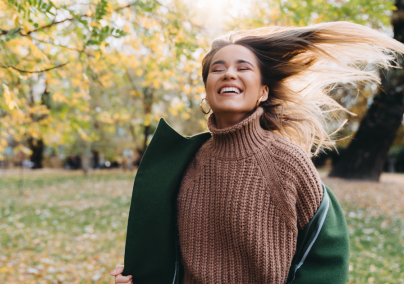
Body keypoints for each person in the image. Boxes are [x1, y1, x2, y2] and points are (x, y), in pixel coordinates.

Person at [111, 21, 404, 284]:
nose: (228, 74)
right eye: (217, 68)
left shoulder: (287, 162)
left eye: (243, 67)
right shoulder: (180, 162)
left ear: (263, 92)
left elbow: (324, 250)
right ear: (207, 90)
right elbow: (167, 258)